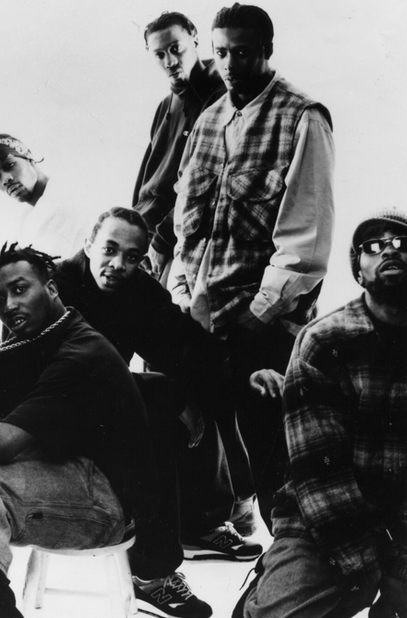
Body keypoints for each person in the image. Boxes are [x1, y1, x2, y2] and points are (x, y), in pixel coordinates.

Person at [0, 244, 154, 618]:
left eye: (20, 290)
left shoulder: (81, 350)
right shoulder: (30, 339)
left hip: (108, 500)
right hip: (62, 467)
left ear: (51, 289)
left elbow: (4, 444)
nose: (8, 305)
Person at [169, 2, 335, 531]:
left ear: (266, 50)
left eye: (242, 52)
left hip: (263, 328)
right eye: (221, 53)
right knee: (204, 450)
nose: (229, 64)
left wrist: (257, 315)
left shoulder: (303, 116)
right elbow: (186, 229)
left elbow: (306, 238)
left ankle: (289, 560)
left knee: (274, 461)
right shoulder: (207, 119)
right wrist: (181, 295)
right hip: (203, 323)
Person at [55, 207, 260, 618]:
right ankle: (152, 574)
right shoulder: (55, 284)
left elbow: (187, 344)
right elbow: (75, 375)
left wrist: (240, 378)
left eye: (132, 257)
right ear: (89, 244)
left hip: (109, 400)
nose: (118, 264)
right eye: (109, 250)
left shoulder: (137, 288)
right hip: (53, 413)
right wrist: (171, 398)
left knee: (200, 382)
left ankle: (199, 521)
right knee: (156, 410)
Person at [234, 210, 407, 618]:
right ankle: (267, 589)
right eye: (373, 247)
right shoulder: (323, 340)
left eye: (402, 244)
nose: (389, 251)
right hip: (323, 518)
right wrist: (361, 568)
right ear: (358, 271)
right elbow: (318, 473)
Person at [133, 11, 225, 286]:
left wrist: (161, 242)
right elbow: (147, 176)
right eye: (160, 55)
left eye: (176, 49)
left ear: (194, 38)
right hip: (143, 235)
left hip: (176, 239)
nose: (170, 62)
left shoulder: (220, 95)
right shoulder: (165, 105)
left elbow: (203, 182)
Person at [0, 133, 91, 259]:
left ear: (29, 158)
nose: (5, 179)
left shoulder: (60, 200)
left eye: (9, 165)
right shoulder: (28, 214)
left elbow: (47, 267)